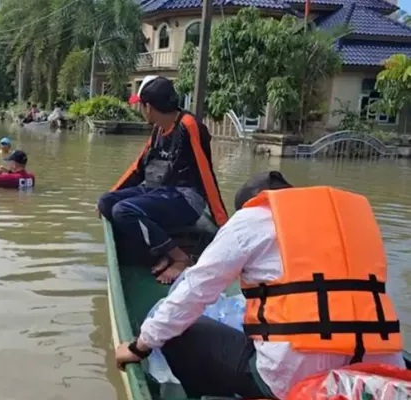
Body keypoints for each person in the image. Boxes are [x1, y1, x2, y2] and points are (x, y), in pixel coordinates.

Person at [114, 171, 405, 399]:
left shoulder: (252, 218)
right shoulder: (353, 223)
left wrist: (140, 346)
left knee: (181, 331)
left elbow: (194, 290)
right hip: (379, 374)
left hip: (292, 382)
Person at [97, 75, 228, 284]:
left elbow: (206, 175)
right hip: (159, 193)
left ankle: (179, 258)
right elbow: (137, 168)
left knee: (123, 211)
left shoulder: (188, 126)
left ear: (148, 107)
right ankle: (161, 251)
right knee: (106, 202)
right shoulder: (158, 129)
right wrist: (111, 193)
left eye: (141, 107)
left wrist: (223, 224)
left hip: (185, 199)